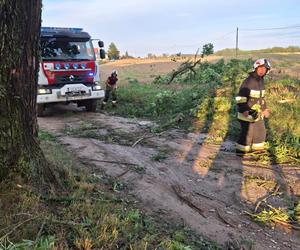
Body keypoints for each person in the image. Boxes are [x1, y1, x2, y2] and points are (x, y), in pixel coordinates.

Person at [235, 58, 271, 154]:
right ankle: (241, 151)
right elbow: (240, 98)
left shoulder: (261, 81)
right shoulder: (248, 81)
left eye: (265, 69)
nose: (263, 70)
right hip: (246, 113)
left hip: (256, 113)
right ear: (256, 68)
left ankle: (257, 151)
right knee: (247, 134)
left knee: (261, 132)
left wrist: (264, 109)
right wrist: (245, 110)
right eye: (261, 68)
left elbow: (261, 98)